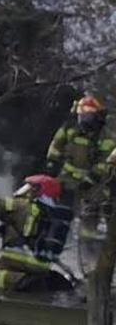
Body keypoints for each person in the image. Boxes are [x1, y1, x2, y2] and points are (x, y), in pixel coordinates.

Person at [0, 174, 74, 293]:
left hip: (16, 262)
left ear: (38, 191)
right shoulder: (54, 214)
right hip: (41, 266)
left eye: (30, 188)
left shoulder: (22, 205)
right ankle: (45, 282)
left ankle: (22, 282)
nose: (26, 190)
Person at [44, 95, 116, 234]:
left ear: (97, 117)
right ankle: (52, 232)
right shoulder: (69, 129)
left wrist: (92, 177)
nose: (83, 120)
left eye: (87, 116)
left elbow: (105, 162)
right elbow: (56, 145)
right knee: (54, 201)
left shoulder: (106, 137)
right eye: (81, 116)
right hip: (66, 177)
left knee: (92, 207)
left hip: (94, 183)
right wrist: (52, 163)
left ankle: (88, 240)